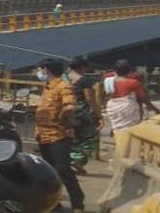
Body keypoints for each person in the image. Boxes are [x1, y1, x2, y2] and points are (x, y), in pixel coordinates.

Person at [35, 58, 85, 213]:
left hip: (58, 134)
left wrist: (63, 119)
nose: (40, 72)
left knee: (63, 169)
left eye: (41, 69)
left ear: (46, 70)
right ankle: (54, 204)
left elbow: (69, 107)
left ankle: (77, 203)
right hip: (43, 135)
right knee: (49, 171)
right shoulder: (48, 86)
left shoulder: (63, 86)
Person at [65, 57, 102, 174]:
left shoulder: (62, 78)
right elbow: (90, 99)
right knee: (91, 137)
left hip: (63, 110)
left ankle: (70, 160)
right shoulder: (84, 80)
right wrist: (98, 114)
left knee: (71, 137)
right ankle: (77, 161)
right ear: (82, 67)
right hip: (79, 112)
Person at [103, 59, 160, 132]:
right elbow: (142, 98)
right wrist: (154, 108)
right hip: (127, 108)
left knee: (117, 129)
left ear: (115, 70)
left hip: (112, 107)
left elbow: (104, 94)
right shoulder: (133, 82)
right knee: (129, 129)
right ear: (129, 70)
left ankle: (118, 139)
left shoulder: (108, 80)